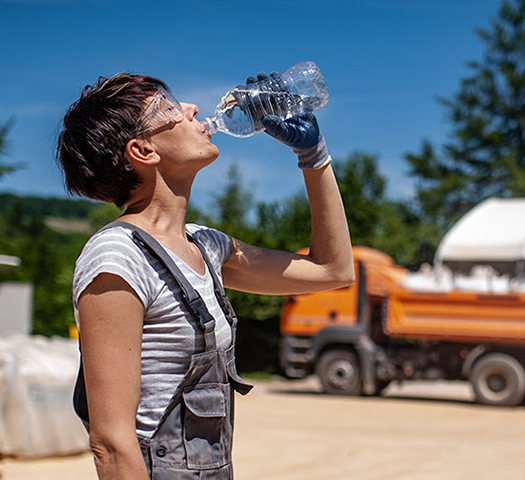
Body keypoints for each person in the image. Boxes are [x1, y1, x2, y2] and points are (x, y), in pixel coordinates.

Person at [56, 72, 354, 479]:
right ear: (142, 150)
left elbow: (333, 270)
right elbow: (111, 443)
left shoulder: (206, 246)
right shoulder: (118, 255)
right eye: (170, 108)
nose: (193, 108)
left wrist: (314, 157)